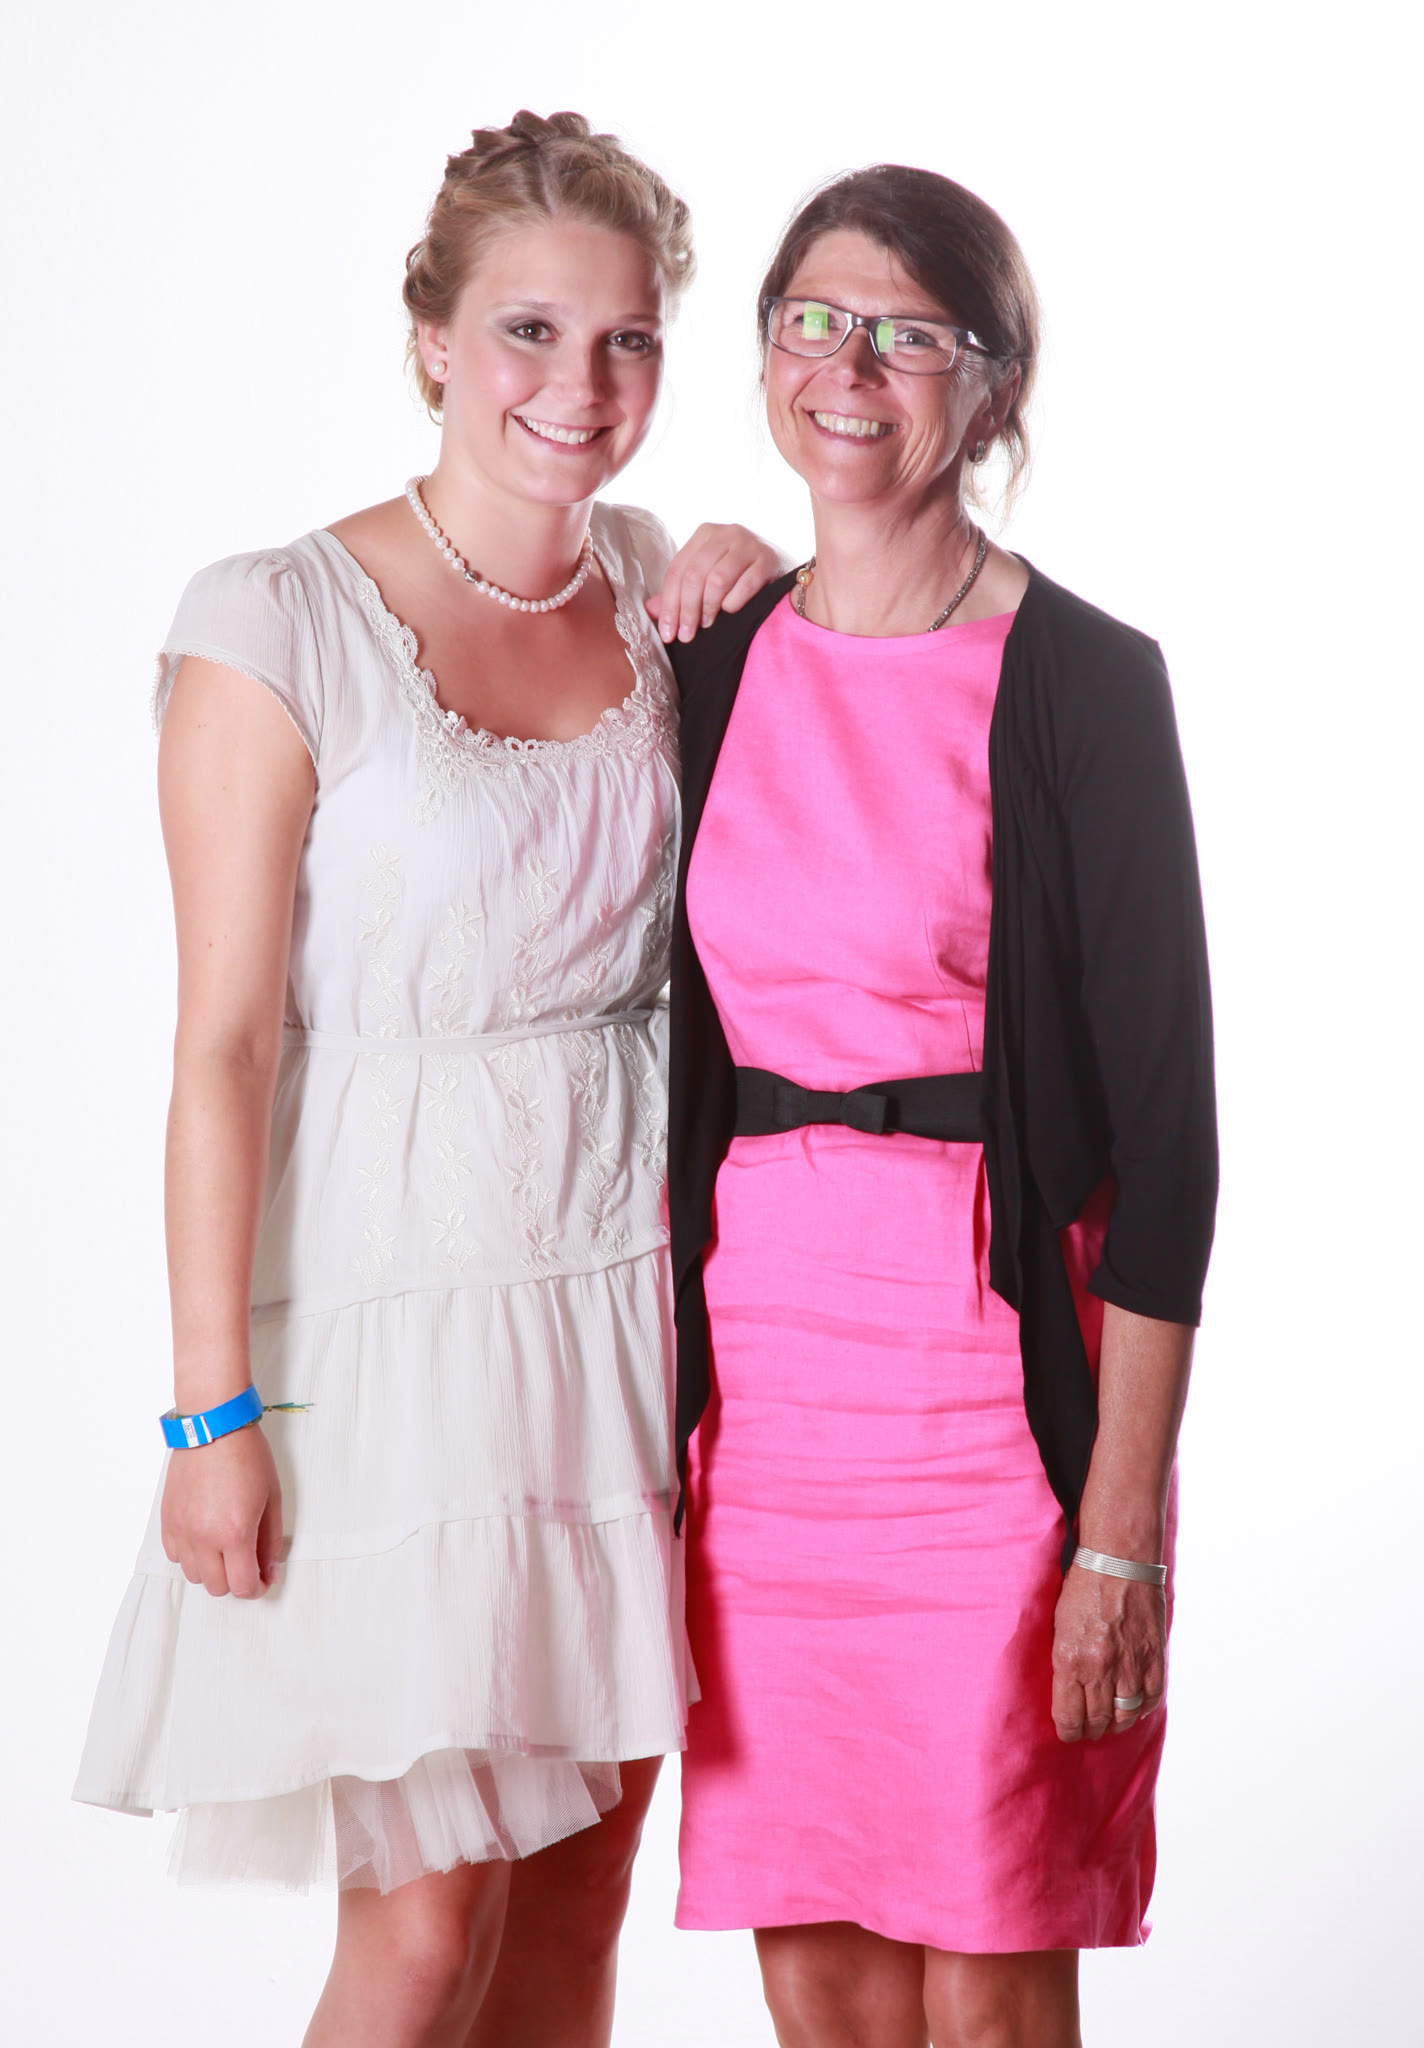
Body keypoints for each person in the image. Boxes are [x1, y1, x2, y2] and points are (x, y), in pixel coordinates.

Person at [73, 110, 781, 2048]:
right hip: (392, 1327)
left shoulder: (662, 585)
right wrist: (208, 1410)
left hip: (621, 1304)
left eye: (627, 341)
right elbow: (223, 1046)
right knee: (418, 1932)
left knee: (577, 1907)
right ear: (432, 340)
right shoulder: (273, 619)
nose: (581, 386)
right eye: (530, 331)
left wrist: (761, 579)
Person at [667, 164, 1217, 2048]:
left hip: (991, 1417)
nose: (851, 366)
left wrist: (1119, 1533)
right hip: (764, 1421)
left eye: (909, 334)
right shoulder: (709, 658)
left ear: (991, 388)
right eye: (815, 320)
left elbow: (1171, 1152)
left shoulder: (1085, 684)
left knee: (987, 1988)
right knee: (818, 1981)